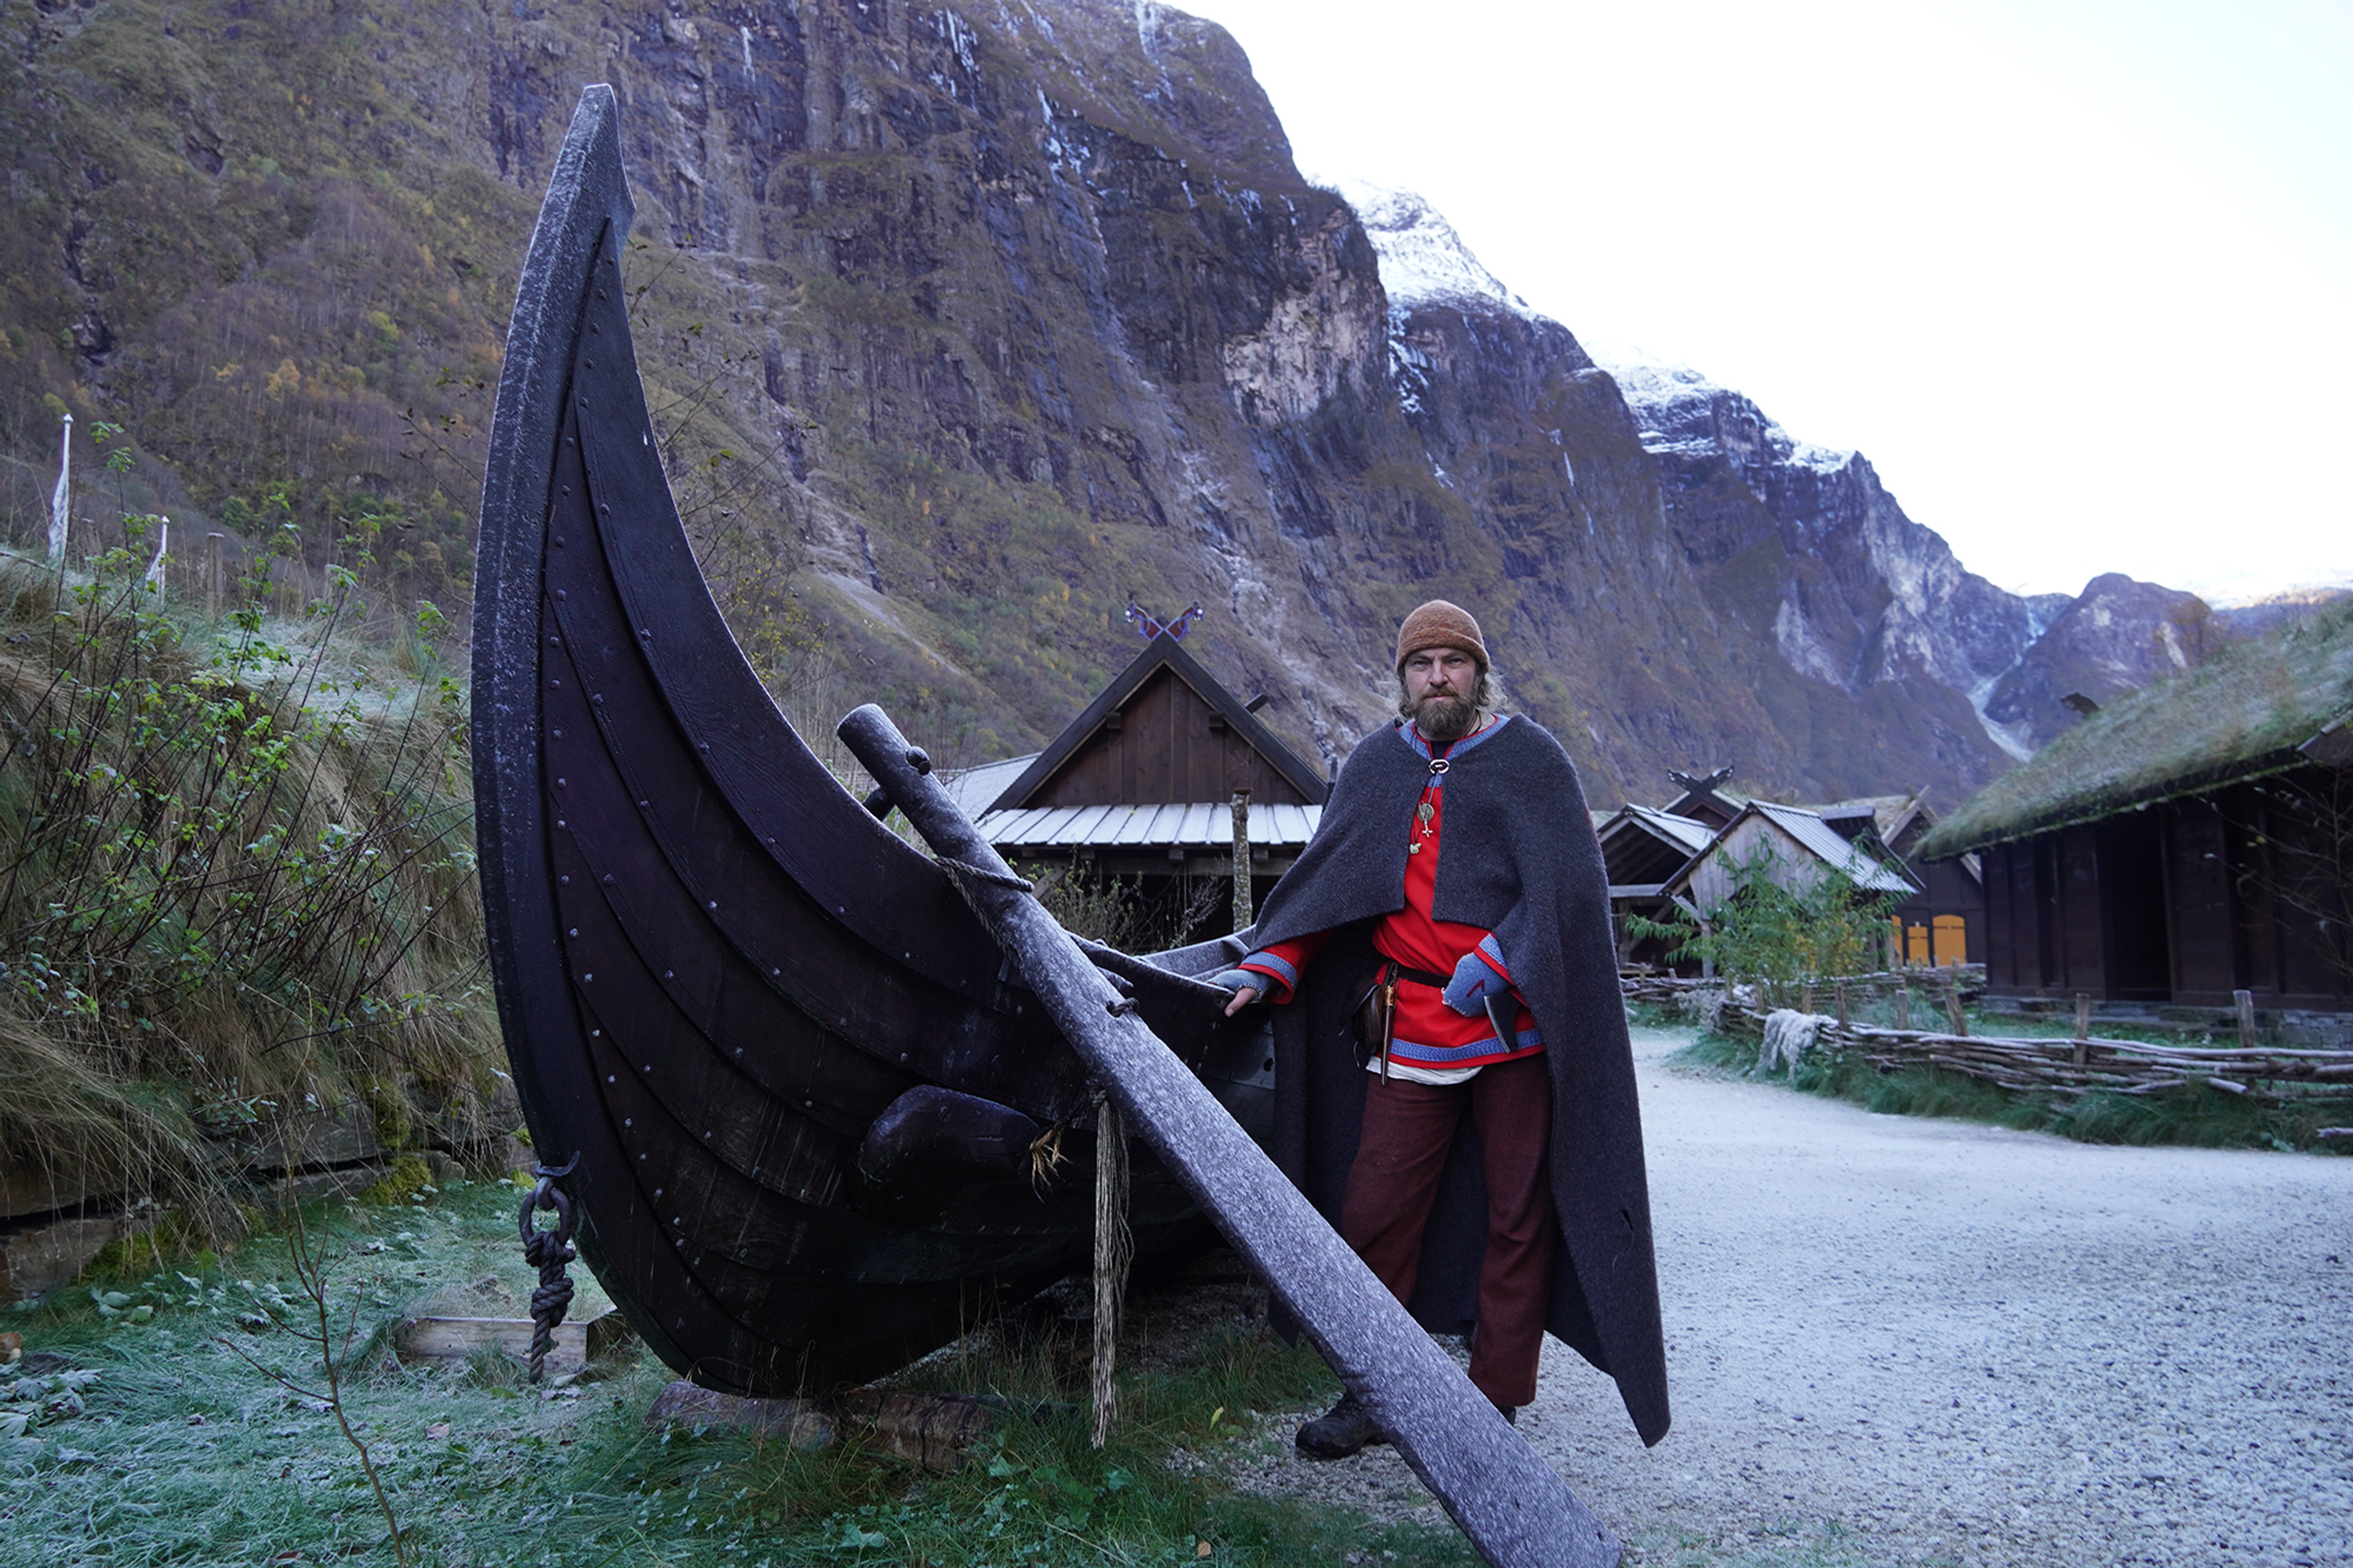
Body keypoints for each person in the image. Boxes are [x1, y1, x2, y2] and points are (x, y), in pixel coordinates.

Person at [1210, 600, 1669, 1458]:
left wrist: (1500, 958)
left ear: (1478, 672)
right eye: (1422, 665)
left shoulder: (1534, 760)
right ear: (1403, 679)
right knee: (1377, 1206)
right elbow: (1331, 879)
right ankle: (1375, 1391)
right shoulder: (1378, 764)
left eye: (1454, 662)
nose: (1438, 678)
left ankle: (1493, 1402)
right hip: (1408, 1025)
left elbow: (1569, 892)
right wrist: (1273, 961)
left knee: (1519, 1216)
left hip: (1513, 1027)